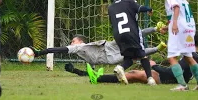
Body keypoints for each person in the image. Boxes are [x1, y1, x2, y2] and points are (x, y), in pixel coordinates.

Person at [29, 26, 167, 74]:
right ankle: (157, 48)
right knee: (135, 55)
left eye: (73, 40)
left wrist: (41, 52)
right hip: (109, 59)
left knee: (128, 36)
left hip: (108, 47)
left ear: (80, 41)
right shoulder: (86, 57)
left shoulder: (80, 47)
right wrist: (74, 71)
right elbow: (91, 75)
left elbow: (59, 49)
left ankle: (155, 29)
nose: (72, 43)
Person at [88, 31, 198, 85]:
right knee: (134, 75)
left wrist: (154, 66)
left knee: (133, 74)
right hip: (171, 78)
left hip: (169, 79)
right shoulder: (194, 56)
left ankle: (98, 79)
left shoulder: (192, 56)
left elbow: (172, 73)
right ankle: (100, 77)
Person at [161, 0, 198, 91]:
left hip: (179, 28)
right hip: (189, 27)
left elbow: (176, 8)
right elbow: (179, 13)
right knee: (188, 56)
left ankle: (182, 85)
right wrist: (168, 27)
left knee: (172, 57)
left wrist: (174, 24)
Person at [107, 0, 156, 85]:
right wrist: (149, 9)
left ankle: (120, 67)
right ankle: (150, 79)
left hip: (119, 36)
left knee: (129, 58)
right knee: (142, 55)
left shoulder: (110, 7)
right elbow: (141, 8)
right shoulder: (129, 2)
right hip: (131, 33)